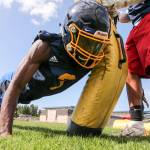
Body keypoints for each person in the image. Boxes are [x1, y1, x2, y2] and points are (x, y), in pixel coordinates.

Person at [0, 1, 111, 137]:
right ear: (70, 32)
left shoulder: (94, 57)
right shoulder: (45, 48)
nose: (91, 51)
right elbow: (15, 86)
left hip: (30, 93)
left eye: (96, 45)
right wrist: (5, 132)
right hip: (7, 85)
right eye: (86, 42)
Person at [118, 0, 150, 136]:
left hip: (148, 18)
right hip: (136, 26)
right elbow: (125, 17)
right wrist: (113, 11)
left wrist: (115, 4)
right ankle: (136, 126)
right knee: (130, 71)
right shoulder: (132, 6)